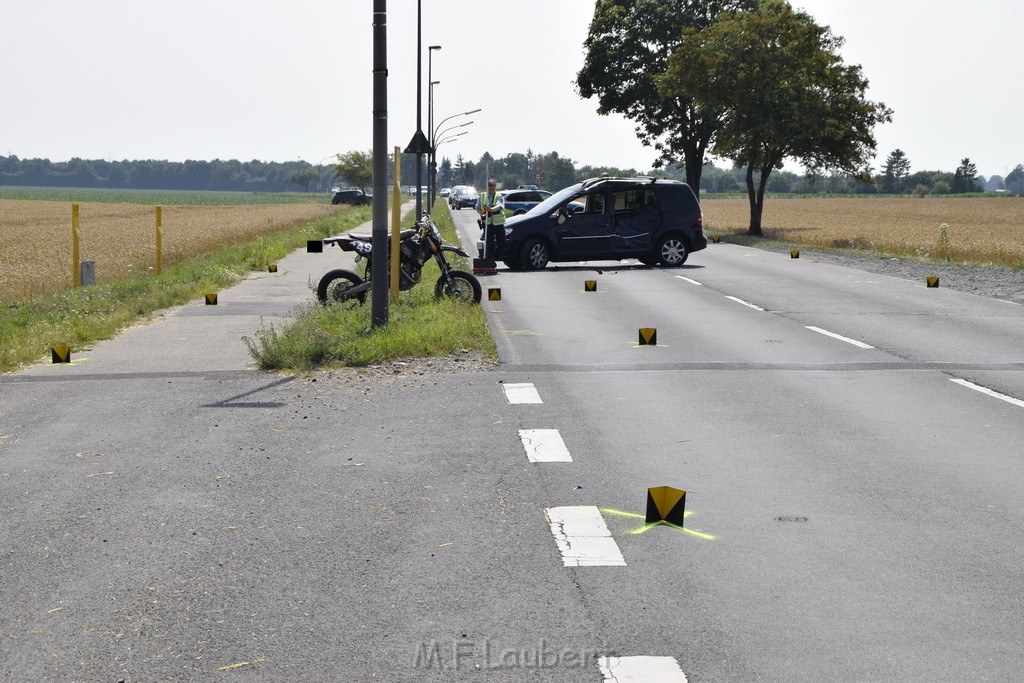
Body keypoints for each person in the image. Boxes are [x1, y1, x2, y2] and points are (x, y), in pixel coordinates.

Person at [475, 179, 506, 259]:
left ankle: (494, 257)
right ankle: (490, 262)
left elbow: (500, 206)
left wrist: (491, 210)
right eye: (490, 189)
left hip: (498, 223)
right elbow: (477, 207)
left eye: (493, 189)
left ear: (495, 188)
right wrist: (482, 213)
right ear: (487, 188)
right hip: (487, 223)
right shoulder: (482, 196)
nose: (491, 191)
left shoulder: (499, 196)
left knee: (502, 243)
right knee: (489, 244)